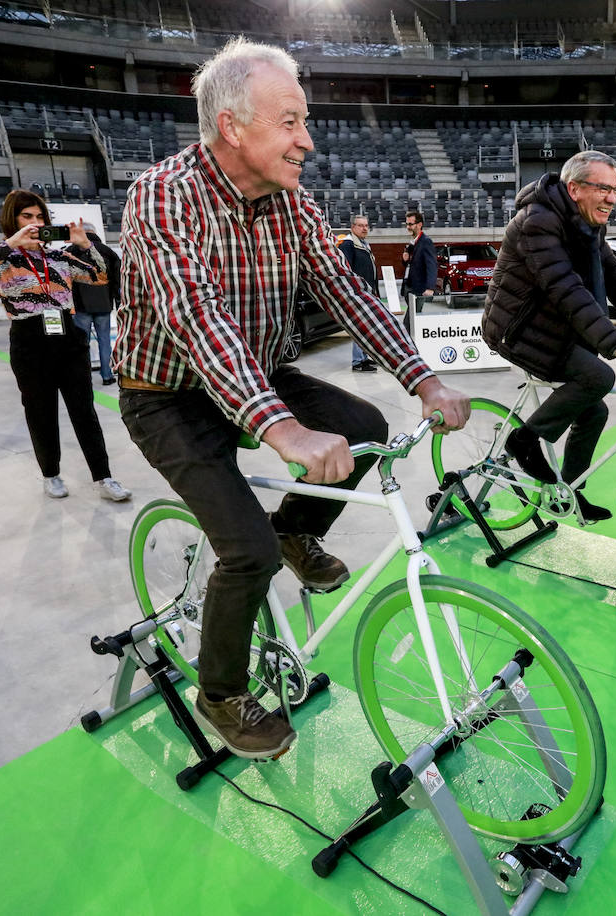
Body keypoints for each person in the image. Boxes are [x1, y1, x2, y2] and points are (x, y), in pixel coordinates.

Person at [113, 38, 469, 761]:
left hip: (259, 371)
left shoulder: (294, 205)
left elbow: (347, 293)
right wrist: (281, 429)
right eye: (290, 121)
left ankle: (296, 529)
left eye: (304, 122)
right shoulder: (161, 196)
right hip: (168, 392)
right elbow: (195, 319)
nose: (307, 140)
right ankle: (221, 693)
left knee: (363, 423)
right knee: (244, 553)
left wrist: (422, 376)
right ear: (233, 127)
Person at [482, 150, 616, 522]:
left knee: (595, 411)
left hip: (552, 325)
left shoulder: (587, 224)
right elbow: (566, 290)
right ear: (574, 189)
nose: (612, 198)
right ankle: (524, 440)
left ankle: (567, 492)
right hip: (517, 329)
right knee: (598, 376)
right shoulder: (537, 221)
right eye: (603, 188)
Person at [0, 189, 133, 503]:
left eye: (40, 217)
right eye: (27, 217)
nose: (34, 223)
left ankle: (104, 476)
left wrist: (86, 244)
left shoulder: (58, 257)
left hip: (67, 336)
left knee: (84, 410)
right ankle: (51, 474)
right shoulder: (4, 257)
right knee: (40, 412)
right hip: (28, 341)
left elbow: (100, 276)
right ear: (12, 221)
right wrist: (12, 243)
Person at [70, 231, 121, 385]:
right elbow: (117, 280)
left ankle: (83, 377)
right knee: (104, 342)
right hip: (104, 305)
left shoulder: (71, 251)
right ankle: (107, 376)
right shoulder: (108, 252)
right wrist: (117, 301)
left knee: (81, 344)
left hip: (81, 307)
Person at [338, 214, 378, 372]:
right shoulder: (348, 244)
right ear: (352, 227)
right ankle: (357, 362)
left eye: (366, 225)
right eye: (361, 225)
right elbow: (345, 270)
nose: (364, 228)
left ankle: (364, 357)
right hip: (357, 294)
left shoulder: (363, 244)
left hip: (367, 293)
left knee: (366, 328)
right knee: (359, 328)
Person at [401, 209, 437, 312]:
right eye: (407, 224)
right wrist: (405, 260)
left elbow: (432, 265)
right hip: (409, 287)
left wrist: (430, 288)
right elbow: (410, 264)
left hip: (418, 288)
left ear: (419, 224)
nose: (408, 227)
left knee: (411, 320)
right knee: (412, 319)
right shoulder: (412, 242)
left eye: (411, 224)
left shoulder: (426, 241)